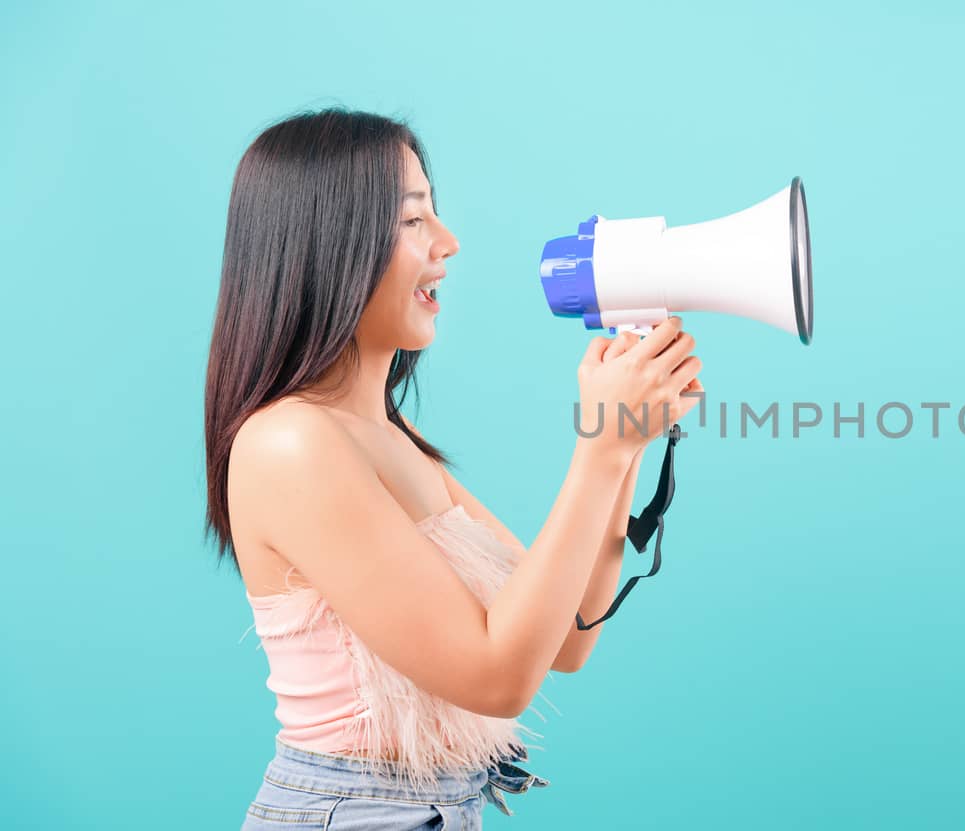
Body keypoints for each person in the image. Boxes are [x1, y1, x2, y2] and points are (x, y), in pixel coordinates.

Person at [203, 107, 702, 829]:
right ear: (330, 243)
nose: (449, 243)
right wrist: (598, 451)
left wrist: (623, 440)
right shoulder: (289, 443)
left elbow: (566, 636)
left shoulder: (389, 436)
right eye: (413, 221)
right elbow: (495, 678)